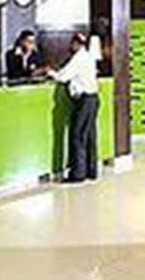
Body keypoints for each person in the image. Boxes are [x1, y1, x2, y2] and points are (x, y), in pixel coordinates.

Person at [41, 33, 99, 184]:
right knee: (89, 135)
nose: (70, 46)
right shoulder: (88, 57)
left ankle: (78, 174)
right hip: (93, 99)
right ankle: (91, 170)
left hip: (84, 100)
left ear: (76, 43)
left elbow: (63, 77)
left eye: (72, 43)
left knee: (77, 136)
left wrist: (50, 73)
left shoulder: (78, 58)